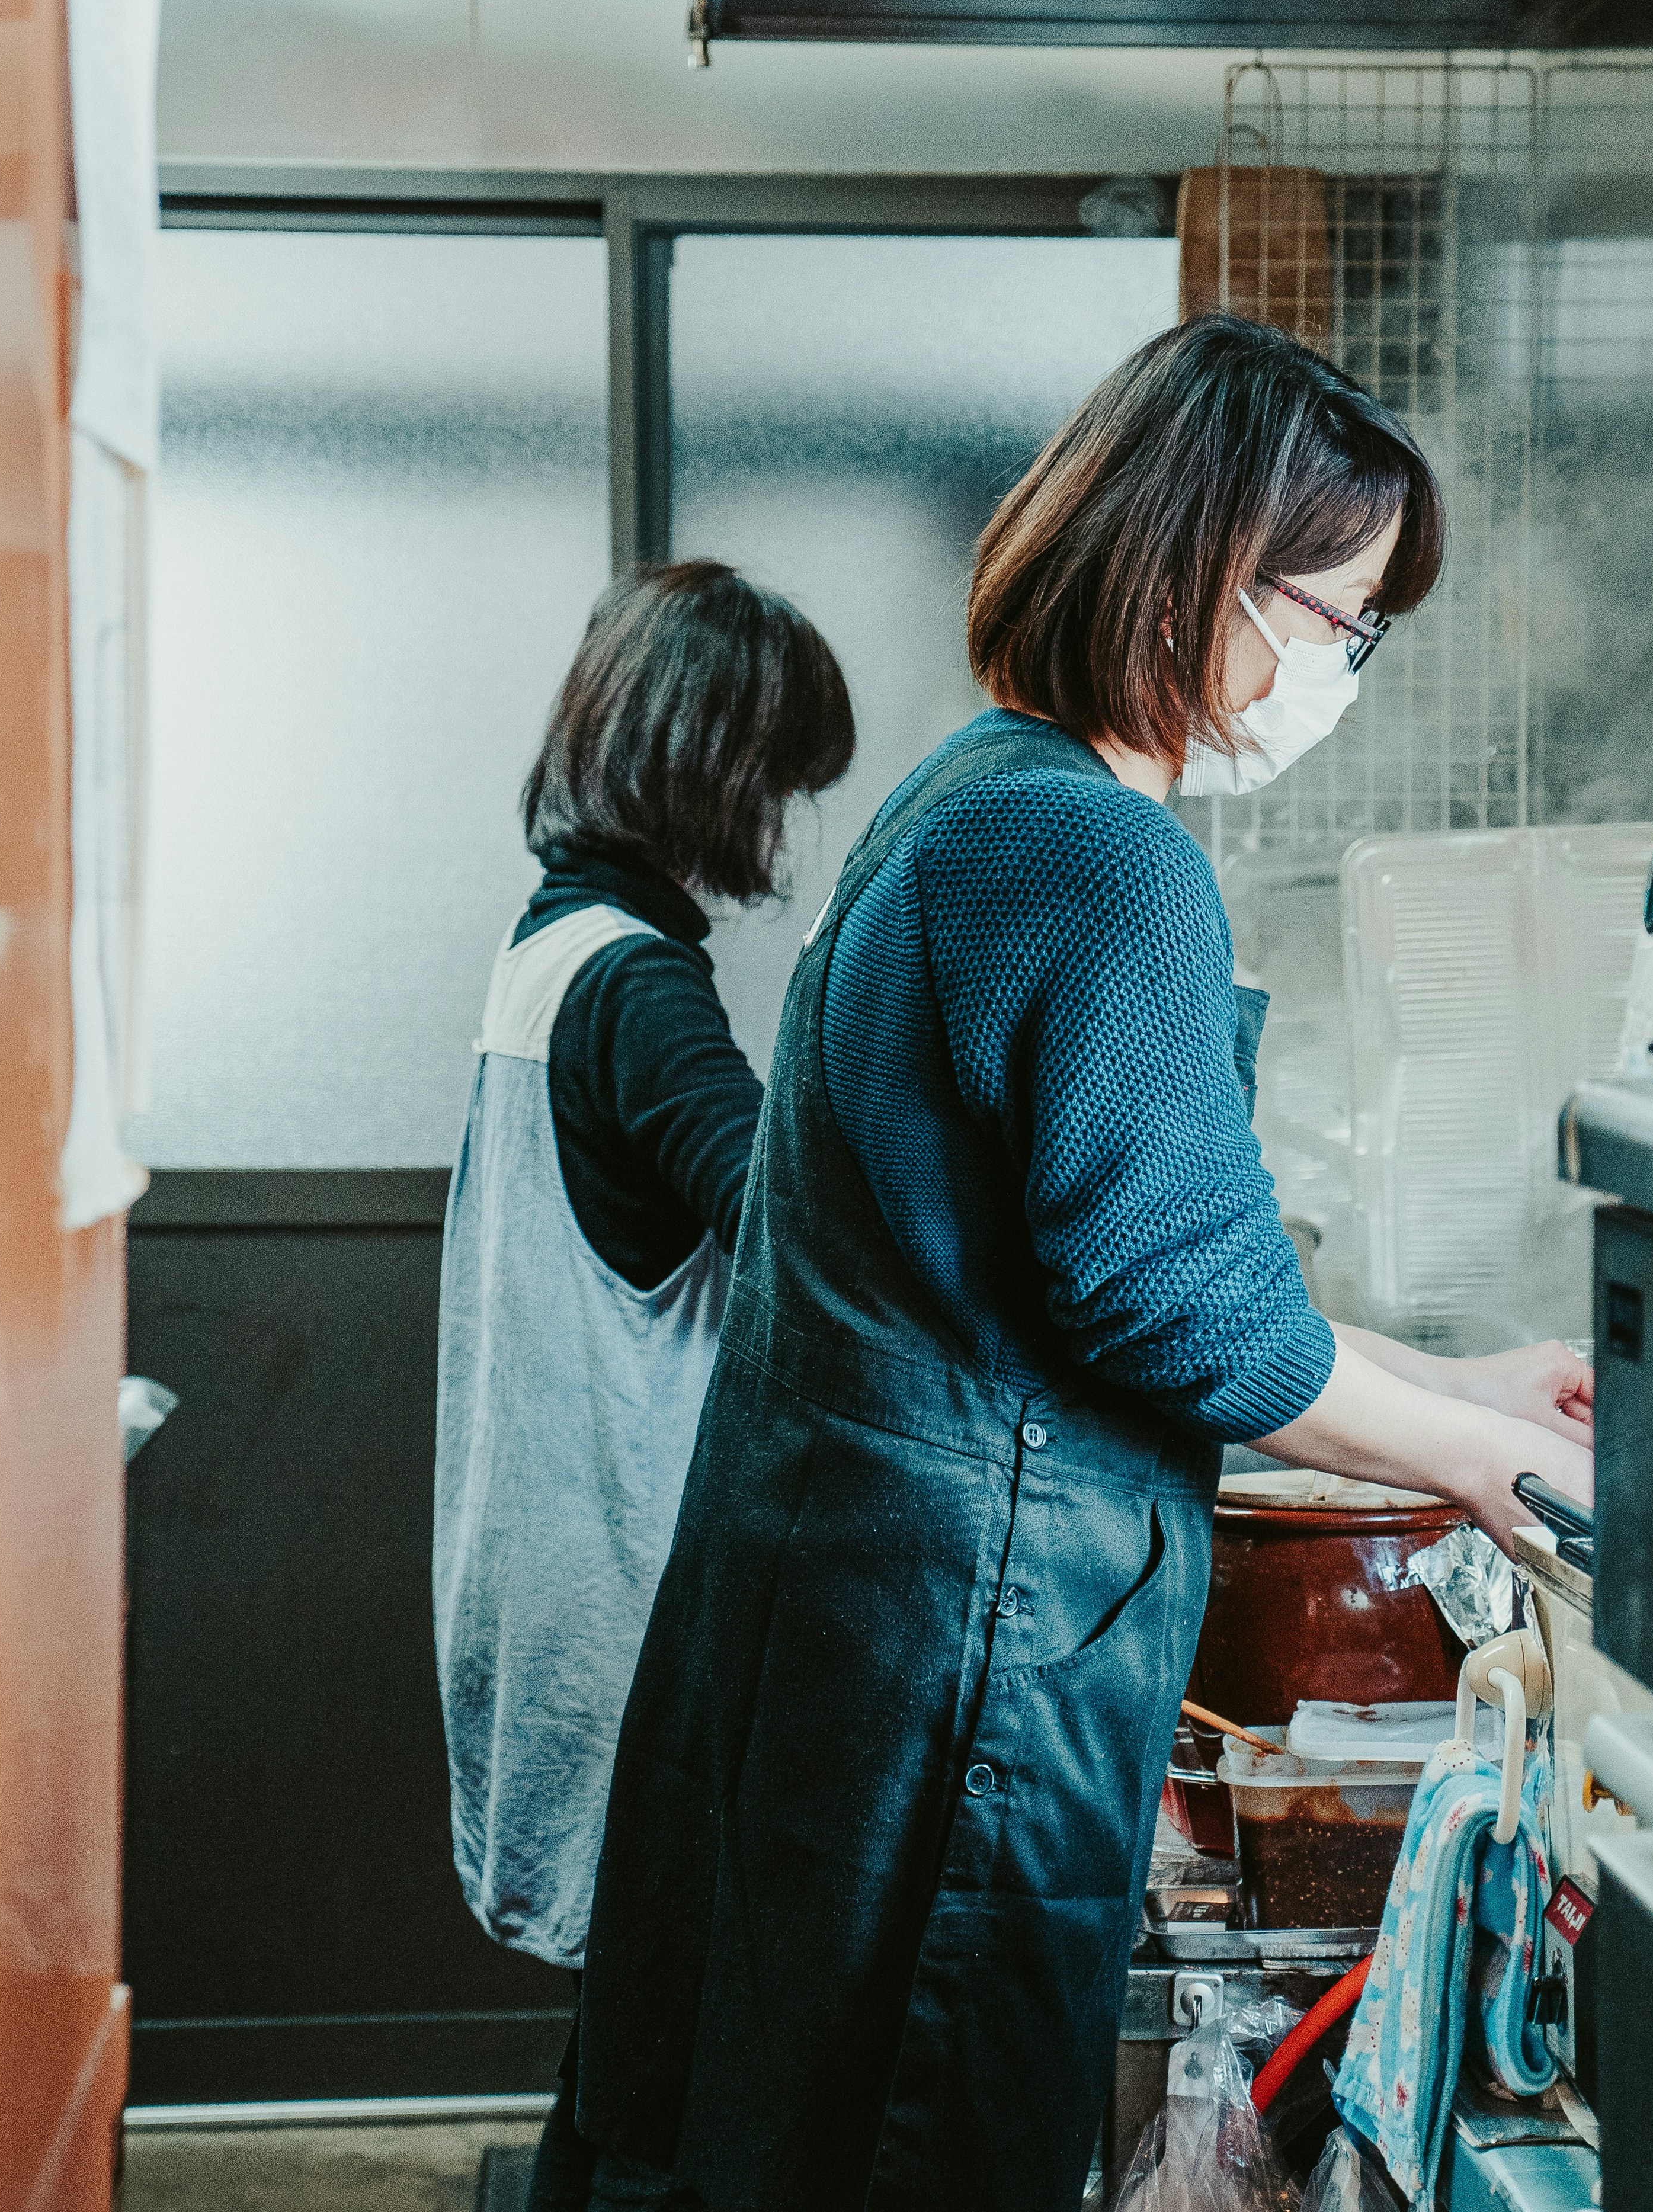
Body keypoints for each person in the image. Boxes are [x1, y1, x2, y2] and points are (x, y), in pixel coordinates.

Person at [554, 313, 1597, 2212]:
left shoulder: (969, 800)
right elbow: (1175, 1309)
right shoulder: (1096, 855)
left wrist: (1467, 1382)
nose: (1340, 671)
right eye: (1336, 619)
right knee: (899, 2152)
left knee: (778, 2130)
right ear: (1201, 568)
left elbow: (1097, 1269)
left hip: (866, 1626)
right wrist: (1487, 1469)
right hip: (961, 1655)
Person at [431, 560, 854, 1981]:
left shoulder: (547, 941)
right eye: (783, 780)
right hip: (628, 1577)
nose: (788, 822)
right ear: (712, 764)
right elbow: (790, 1228)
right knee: (666, 2012)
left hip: (537, 1556)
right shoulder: (636, 983)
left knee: (627, 2018)